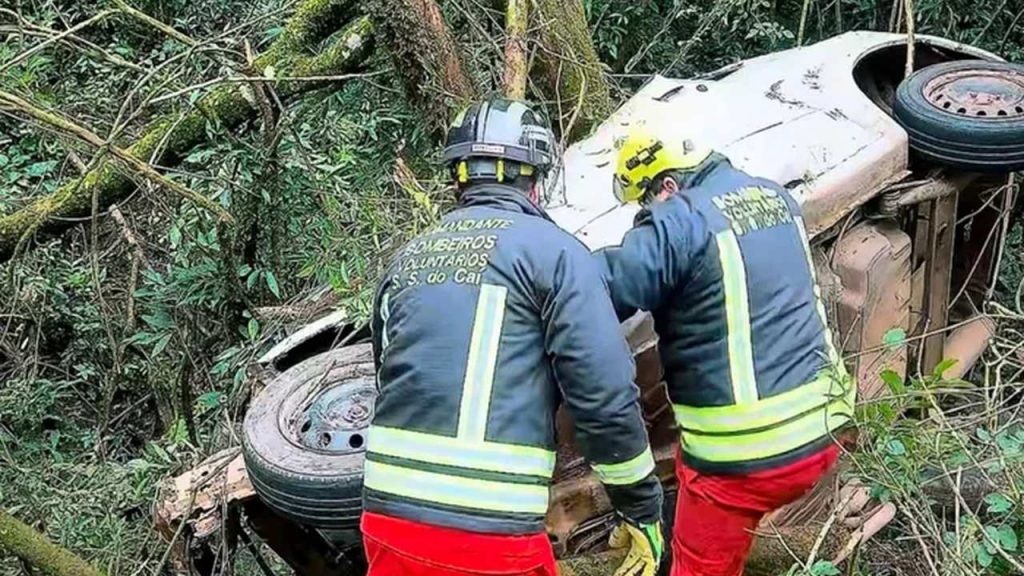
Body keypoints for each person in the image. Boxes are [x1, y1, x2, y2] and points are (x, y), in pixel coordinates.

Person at [361, 98, 665, 576]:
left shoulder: (406, 260)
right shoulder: (557, 255)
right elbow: (603, 395)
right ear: (536, 181)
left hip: (386, 522)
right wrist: (642, 509)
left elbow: (385, 374)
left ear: (457, 180)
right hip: (490, 536)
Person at [598, 129, 856, 576]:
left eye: (645, 203)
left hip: (745, 462)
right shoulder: (776, 198)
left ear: (668, 187)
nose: (646, 214)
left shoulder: (681, 219)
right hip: (827, 431)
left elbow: (602, 288)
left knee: (698, 566)